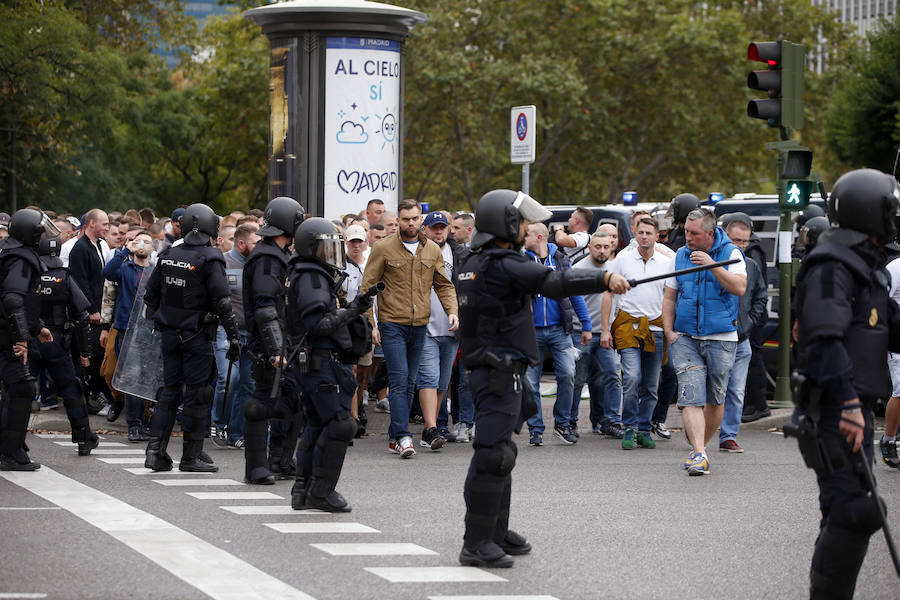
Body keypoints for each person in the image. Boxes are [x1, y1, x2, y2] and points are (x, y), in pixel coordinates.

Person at [456, 189, 629, 568]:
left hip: (499, 369)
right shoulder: (500, 263)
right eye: (519, 222)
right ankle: (476, 542)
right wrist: (605, 279)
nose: (527, 229)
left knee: (501, 453)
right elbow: (554, 282)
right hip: (496, 371)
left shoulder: (480, 261)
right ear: (504, 225)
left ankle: (495, 533)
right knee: (493, 455)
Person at [791, 169, 900, 599]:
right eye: (891, 209)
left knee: (847, 512)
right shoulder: (831, 265)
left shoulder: (867, 267)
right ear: (872, 212)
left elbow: (888, 328)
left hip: (851, 407)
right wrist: (850, 403)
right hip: (835, 408)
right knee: (855, 510)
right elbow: (822, 337)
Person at [143, 204, 241, 473]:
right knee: (198, 395)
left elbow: (150, 298)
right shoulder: (211, 257)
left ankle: (155, 452)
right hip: (196, 335)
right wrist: (234, 338)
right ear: (211, 228)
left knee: (170, 393)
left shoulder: (168, 255)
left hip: (169, 335)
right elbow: (222, 302)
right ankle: (191, 457)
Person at [288, 218, 374, 512]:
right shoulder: (312, 276)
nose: (331, 253)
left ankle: (303, 490)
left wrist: (356, 306)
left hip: (316, 360)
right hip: (319, 360)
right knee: (340, 425)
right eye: (325, 248)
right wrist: (352, 312)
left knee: (318, 422)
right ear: (311, 248)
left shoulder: (311, 273)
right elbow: (319, 324)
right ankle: (321, 492)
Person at [360, 199, 458, 458]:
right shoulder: (383, 248)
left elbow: (444, 285)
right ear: (399, 221)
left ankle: (395, 437)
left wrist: (453, 311)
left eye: (415, 218)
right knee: (400, 379)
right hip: (392, 324)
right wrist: (372, 324)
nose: (411, 223)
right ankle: (403, 436)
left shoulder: (432, 250)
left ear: (421, 221)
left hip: (420, 324)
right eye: (405, 219)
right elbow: (366, 289)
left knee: (411, 381)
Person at [662, 208, 746, 476]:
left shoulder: (731, 253)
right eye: (686, 231)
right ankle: (699, 452)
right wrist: (669, 331)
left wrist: (712, 264)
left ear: (710, 233)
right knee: (690, 396)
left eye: (694, 233)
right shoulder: (680, 255)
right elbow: (670, 296)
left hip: (721, 338)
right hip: (685, 336)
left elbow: (739, 288)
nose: (687, 237)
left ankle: (699, 446)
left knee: (715, 398)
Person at [242, 196, 305, 483]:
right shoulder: (267, 258)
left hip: (285, 341)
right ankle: (256, 467)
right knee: (263, 402)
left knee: (290, 399)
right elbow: (266, 307)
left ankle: (280, 460)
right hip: (271, 344)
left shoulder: (279, 255)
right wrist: (274, 348)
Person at [522, 223, 591, 445]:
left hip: (559, 331)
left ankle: (562, 424)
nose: (523, 237)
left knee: (567, 375)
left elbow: (574, 292)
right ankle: (535, 429)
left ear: (539, 236)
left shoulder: (560, 260)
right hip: (530, 332)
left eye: (527, 234)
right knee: (530, 382)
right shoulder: (521, 261)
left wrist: (586, 325)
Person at [0, 209, 58, 470]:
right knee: (22, 388)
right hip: (8, 336)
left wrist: (37, 327)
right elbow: (13, 299)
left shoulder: (14, 253)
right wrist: (21, 339)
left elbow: (25, 302)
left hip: (8, 332)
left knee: (15, 388)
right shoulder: (21, 259)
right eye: (40, 231)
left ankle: (10, 447)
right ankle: (11, 453)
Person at [605, 217, 669, 450]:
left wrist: (670, 330)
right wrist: (606, 328)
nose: (644, 236)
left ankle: (645, 429)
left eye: (648, 233)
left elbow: (670, 298)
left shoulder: (665, 263)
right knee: (632, 378)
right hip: (628, 327)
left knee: (651, 385)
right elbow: (609, 293)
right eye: (640, 232)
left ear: (656, 236)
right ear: (635, 234)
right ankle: (629, 427)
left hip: (655, 329)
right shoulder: (622, 259)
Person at [33, 232, 98, 453]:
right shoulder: (64, 276)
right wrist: (85, 352)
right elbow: (82, 316)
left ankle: (10, 445)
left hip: (31, 340)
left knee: (18, 392)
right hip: (57, 342)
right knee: (71, 390)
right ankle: (84, 439)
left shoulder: (28, 274)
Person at [415, 211, 470, 449]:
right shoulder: (416, 251)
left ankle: (434, 428)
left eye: (443, 227)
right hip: (425, 325)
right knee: (428, 377)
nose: (439, 232)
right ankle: (430, 428)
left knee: (442, 382)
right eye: (434, 227)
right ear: (424, 229)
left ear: (449, 229)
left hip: (452, 327)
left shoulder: (461, 254)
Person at [717, 219, 768, 453]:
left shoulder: (751, 265)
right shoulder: (716, 262)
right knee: (714, 390)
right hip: (716, 336)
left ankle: (728, 435)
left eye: (745, 241)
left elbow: (760, 298)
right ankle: (701, 430)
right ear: (725, 236)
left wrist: (749, 324)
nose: (742, 245)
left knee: (736, 391)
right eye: (737, 240)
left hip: (741, 339)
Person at [103, 229, 155, 442]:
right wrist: (126, 249)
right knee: (132, 375)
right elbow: (108, 272)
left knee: (146, 377)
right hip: (127, 328)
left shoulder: (154, 270)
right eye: (139, 241)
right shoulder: (125, 267)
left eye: (148, 242)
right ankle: (133, 425)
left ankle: (143, 422)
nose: (143, 245)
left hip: (149, 330)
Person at [211, 222, 260, 449]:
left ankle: (237, 433)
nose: (260, 247)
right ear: (242, 244)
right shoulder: (222, 263)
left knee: (249, 384)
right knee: (230, 380)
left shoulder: (258, 265)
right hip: (224, 330)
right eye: (255, 243)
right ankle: (218, 423)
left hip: (251, 334)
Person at [577, 231, 625, 437]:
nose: (602, 250)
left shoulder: (615, 268)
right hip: (582, 334)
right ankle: (571, 422)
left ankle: (612, 421)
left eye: (606, 247)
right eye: (598, 246)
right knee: (579, 380)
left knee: (613, 375)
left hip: (607, 334)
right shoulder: (578, 269)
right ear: (589, 247)